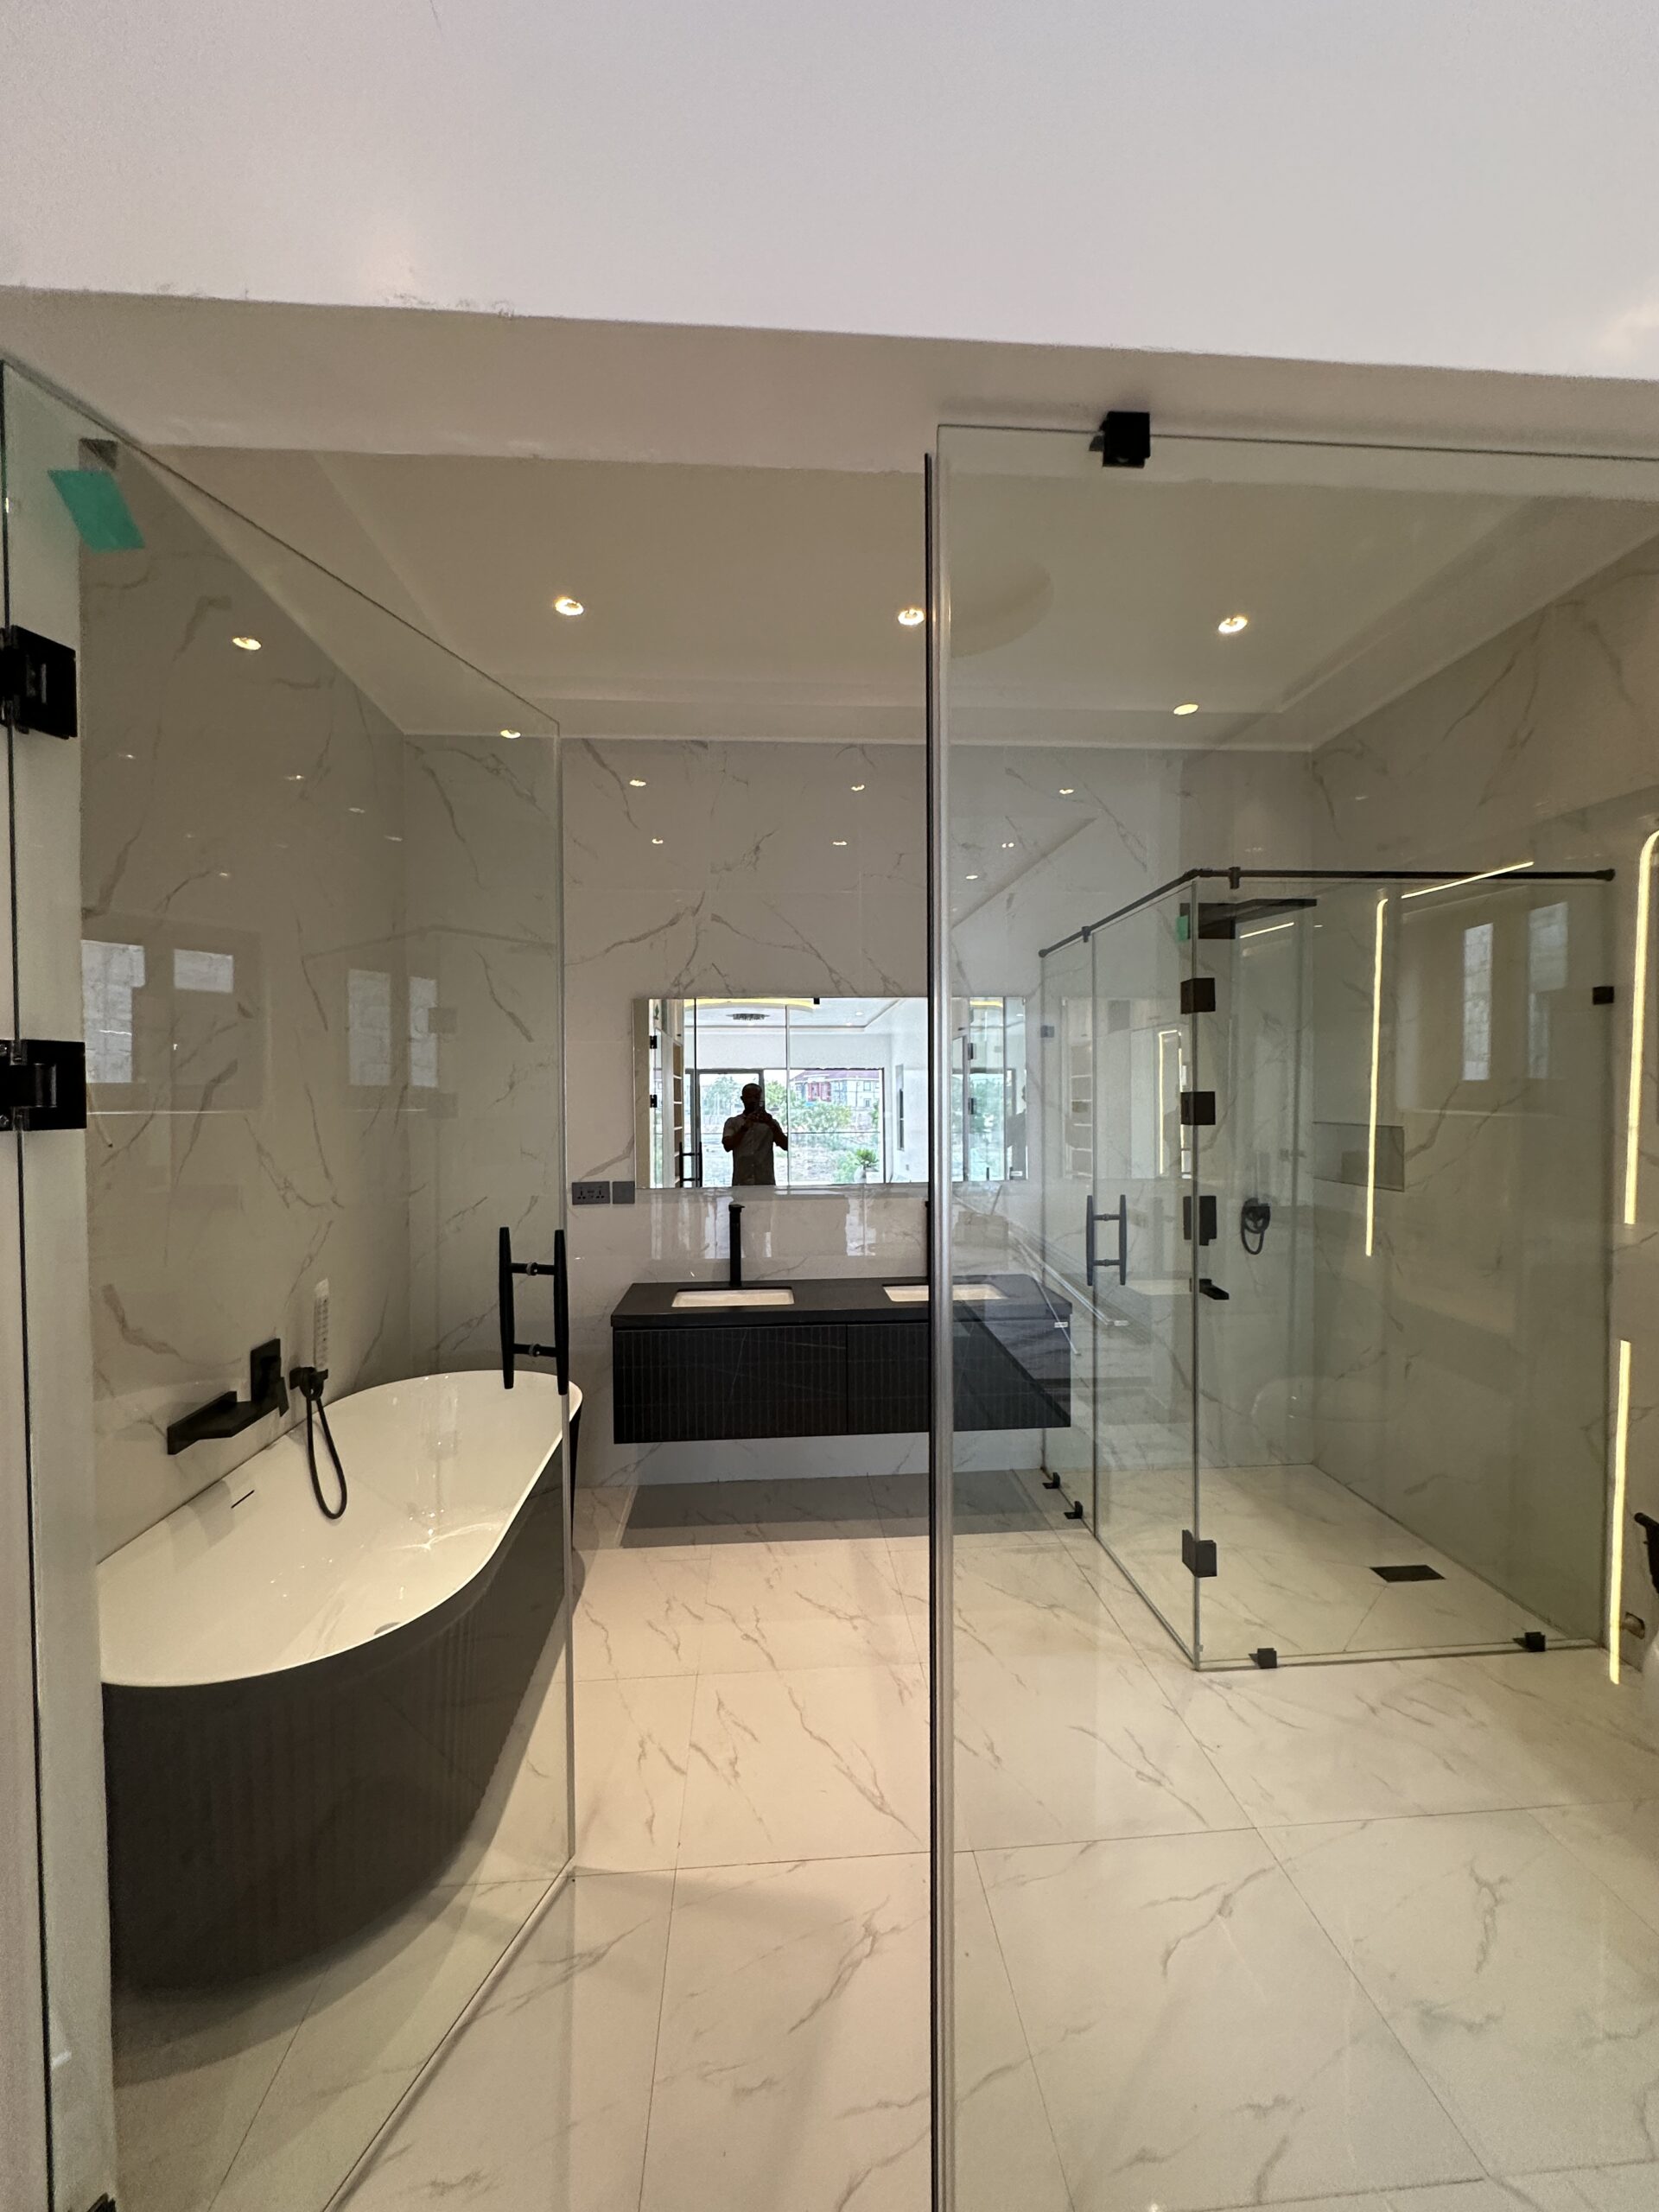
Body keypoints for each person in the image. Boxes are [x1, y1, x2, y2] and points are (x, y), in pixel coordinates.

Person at [721, 1083, 789, 1185]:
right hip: (741, 1181)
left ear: (761, 1099)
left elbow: (786, 1146)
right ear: (742, 1099)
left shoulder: (771, 1123)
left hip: (765, 1181)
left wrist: (771, 1125)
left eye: (756, 1097)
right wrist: (745, 1128)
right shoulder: (733, 1122)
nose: (753, 1101)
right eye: (749, 1097)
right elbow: (727, 1146)